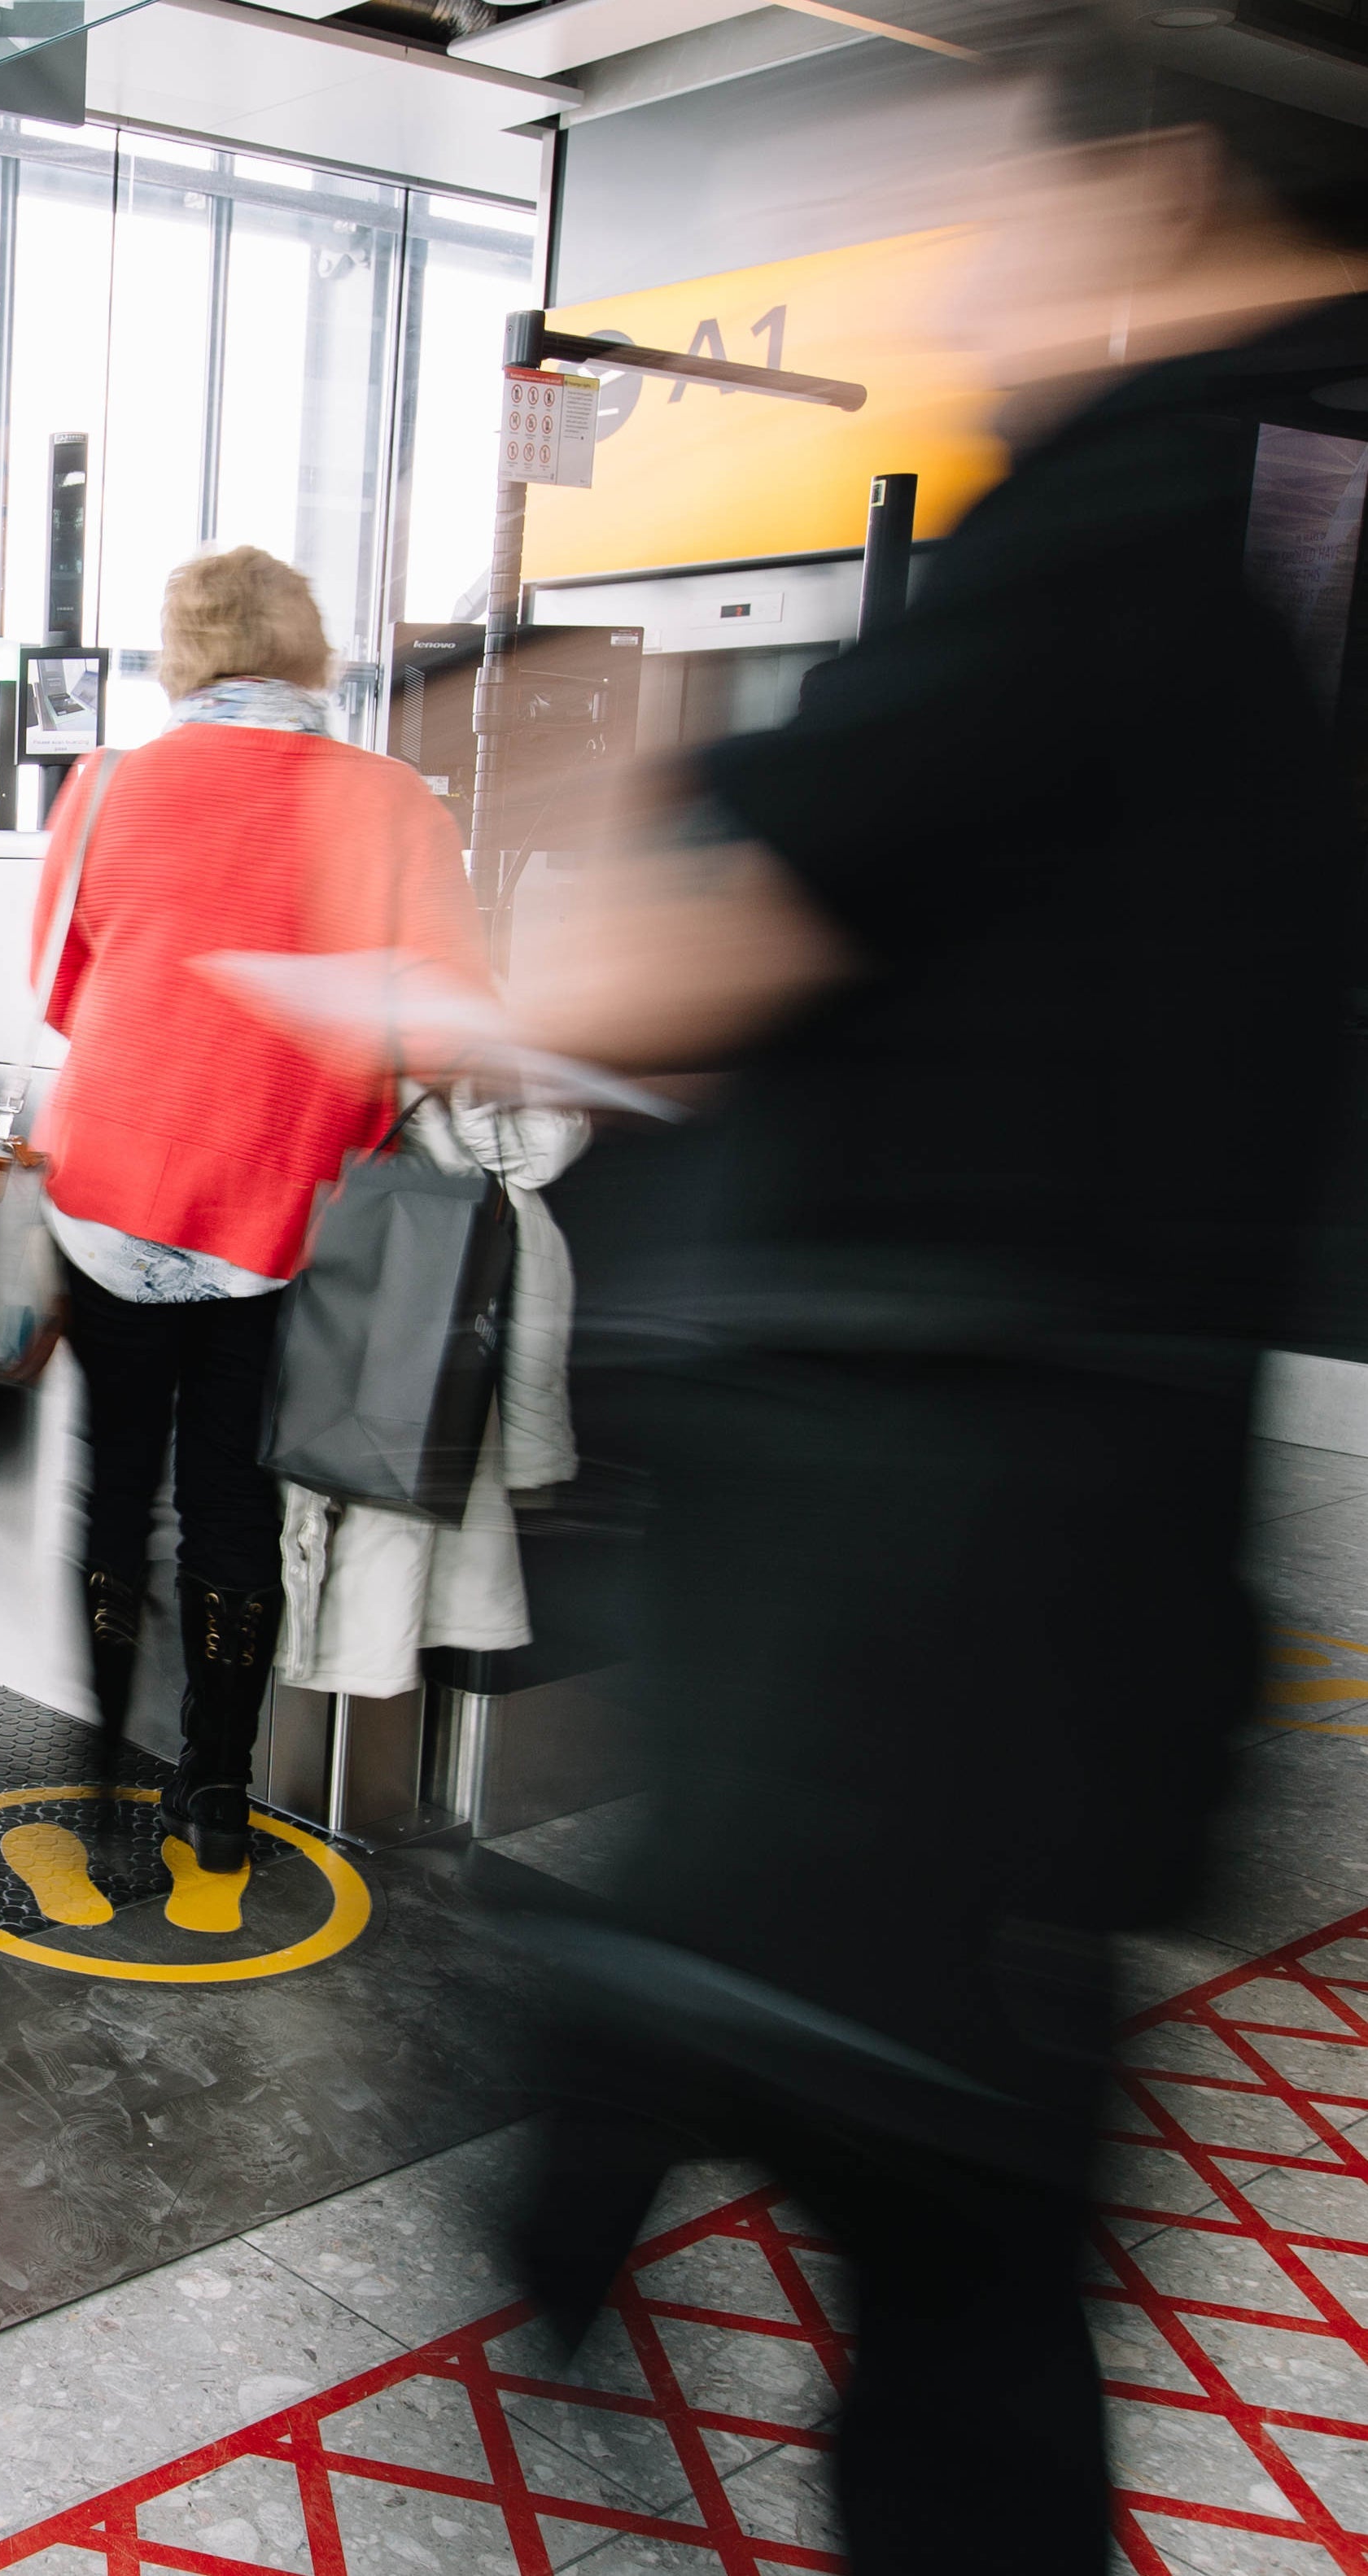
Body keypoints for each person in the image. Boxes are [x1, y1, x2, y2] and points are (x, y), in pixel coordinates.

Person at [492, 32, 1368, 2568]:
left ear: (1153, 191)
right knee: (961, 2202)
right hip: (1096, 1557)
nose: (963, 272)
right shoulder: (1282, 525)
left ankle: (580, 2148)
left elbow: (673, 966)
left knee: (932, 2212)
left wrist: (535, 825)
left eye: (992, 206)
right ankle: (592, 2147)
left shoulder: (1099, 515)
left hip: (907, 1571)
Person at [27, 545, 488, 1871]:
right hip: (283, 1210)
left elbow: (60, 991)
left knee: (116, 1493)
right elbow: (445, 1020)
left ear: (181, 649)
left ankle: (101, 1788)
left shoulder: (105, 784)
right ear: (306, 644)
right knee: (232, 1507)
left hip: (110, 1194)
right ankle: (215, 1788)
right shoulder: (391, 802)